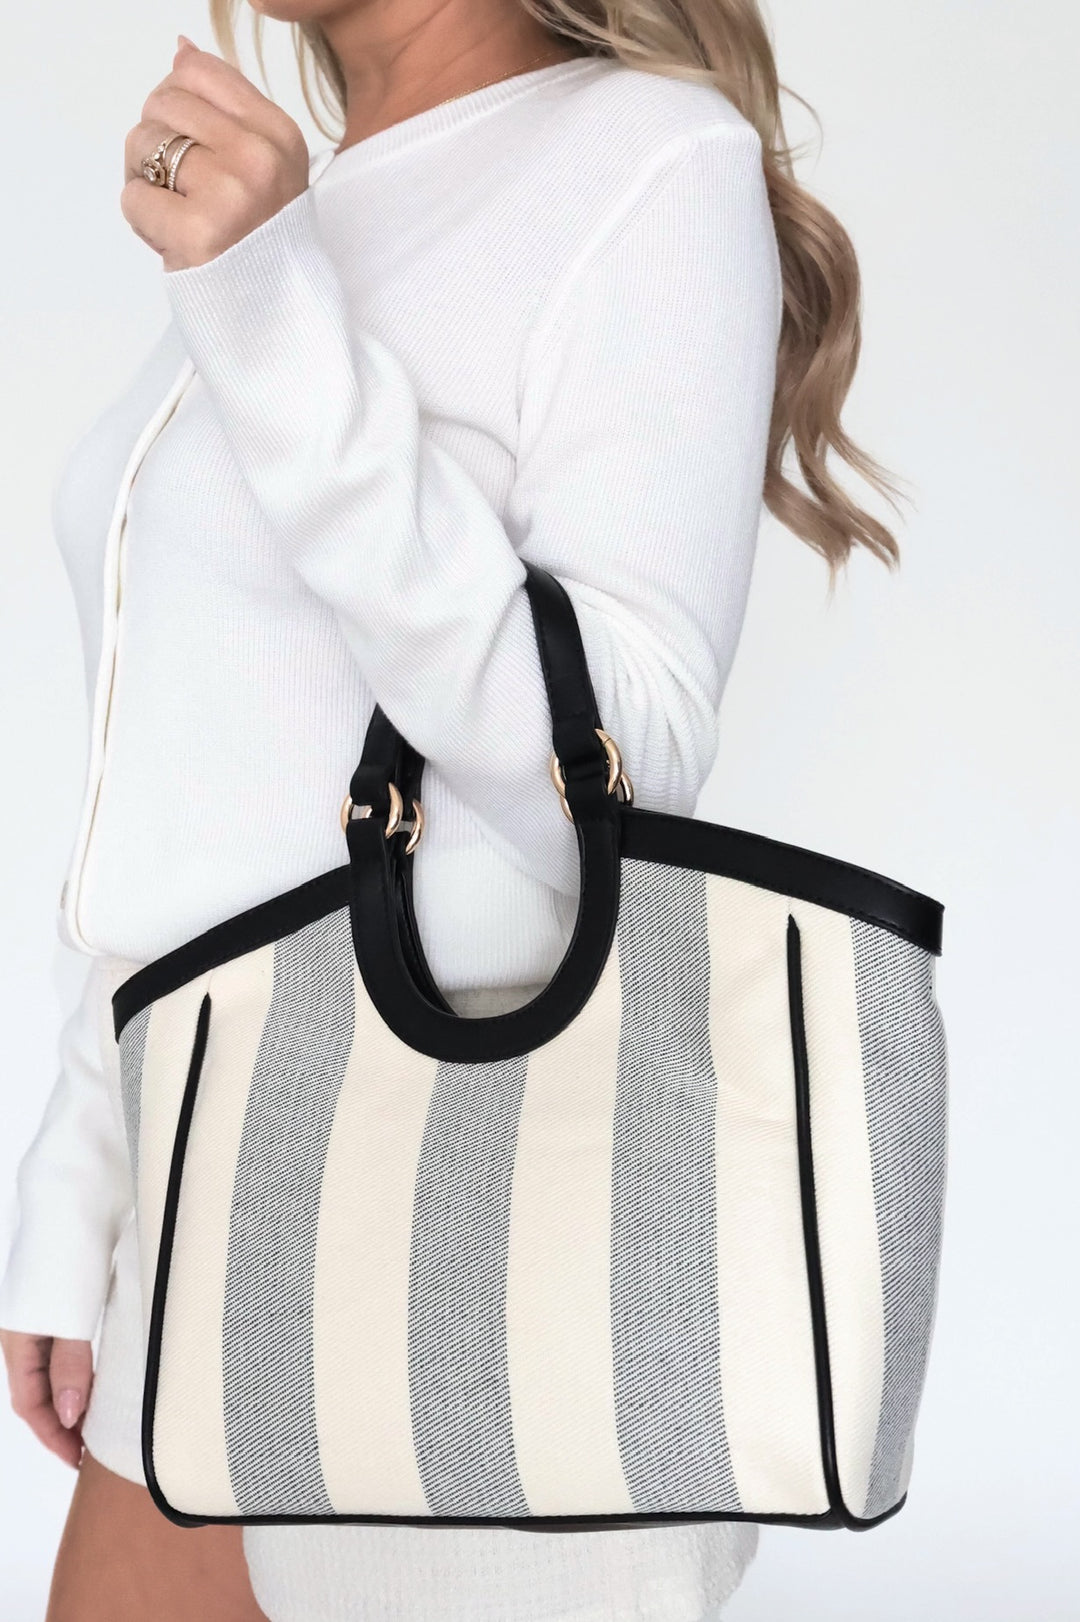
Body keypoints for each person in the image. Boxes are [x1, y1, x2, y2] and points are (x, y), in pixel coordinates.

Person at [0, 0, 899, 1617]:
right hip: (199, 1195)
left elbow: (618, 771)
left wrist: (267, 308)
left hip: (481, 1231)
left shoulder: (646, 161)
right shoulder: (315, 191)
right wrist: (80, 1194)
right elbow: (195, 768)